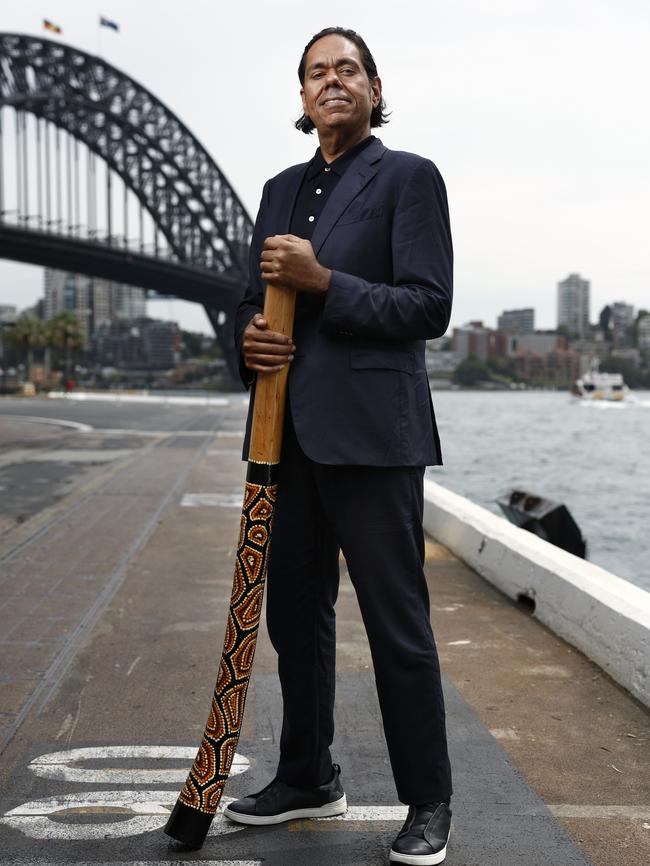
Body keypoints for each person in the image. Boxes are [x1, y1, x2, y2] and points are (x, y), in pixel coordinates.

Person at [227, 26, 454, 865]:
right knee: (296, 618)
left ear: (373, 86)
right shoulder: (279, 187)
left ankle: (429, 800)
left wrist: (327, 283)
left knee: (397, 623)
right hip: (285, 437)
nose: (333, 82)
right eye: (318, 72)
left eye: (347, 70)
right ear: (301, 96)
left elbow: (428, 305)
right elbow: (247, 305)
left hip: (374, 439)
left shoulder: (408, 179)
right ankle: (307, 775)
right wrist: (247, 339)